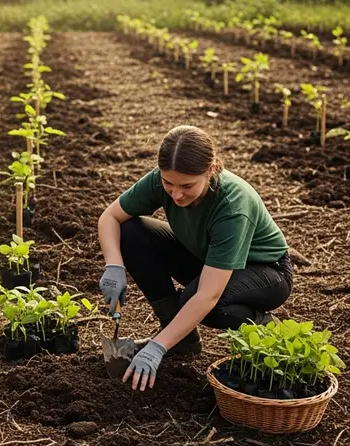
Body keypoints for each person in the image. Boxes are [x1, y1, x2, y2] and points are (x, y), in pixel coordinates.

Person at [97, 125, 293, 391]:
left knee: (201, 302)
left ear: (210, 170)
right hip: (209, 260)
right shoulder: (161, 181)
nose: (176, 194)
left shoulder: (232, 205)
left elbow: (208, 295)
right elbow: (110, 217)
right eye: (168, 184)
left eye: (187, 186)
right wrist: (114, 266)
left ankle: (271, 329)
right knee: (131, 232)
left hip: (265, 273)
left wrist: (157, 347)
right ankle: (182, 337)